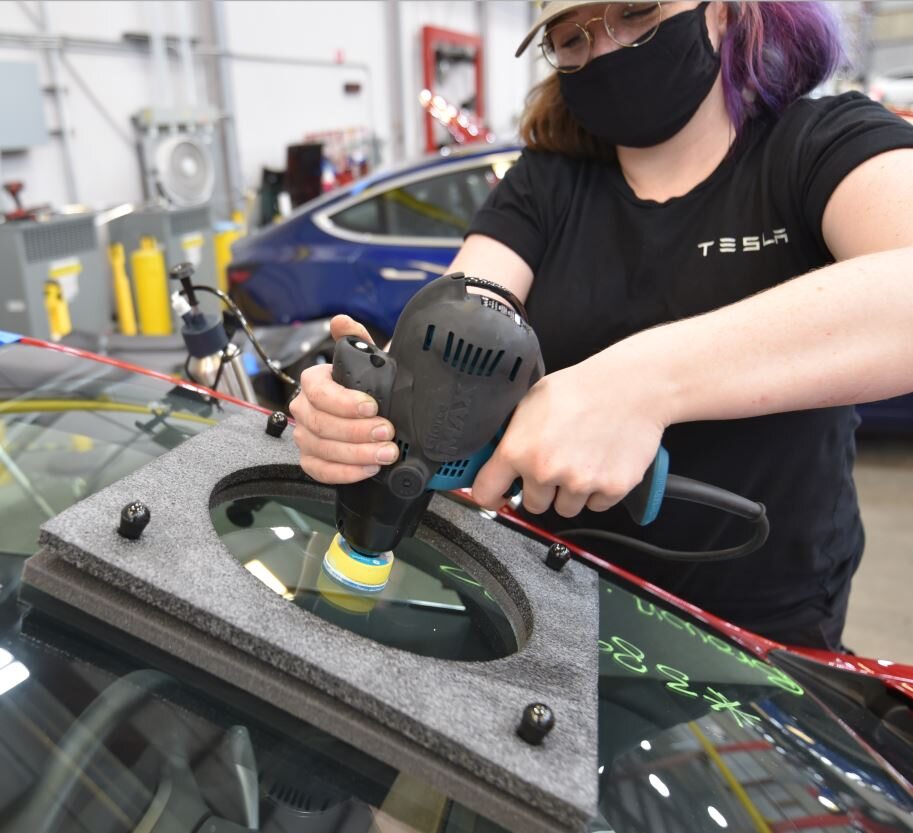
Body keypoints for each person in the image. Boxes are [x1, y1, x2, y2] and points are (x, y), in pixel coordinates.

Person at [290, 1, 913, 651]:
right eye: (571, 40)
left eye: (635, 13)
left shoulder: (820, 144)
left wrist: (641, 384)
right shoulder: (545, 185)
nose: (605, 50)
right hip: (552, 600)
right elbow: (452, 329)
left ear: (726, 14)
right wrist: (364, 415)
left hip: (761, 620)